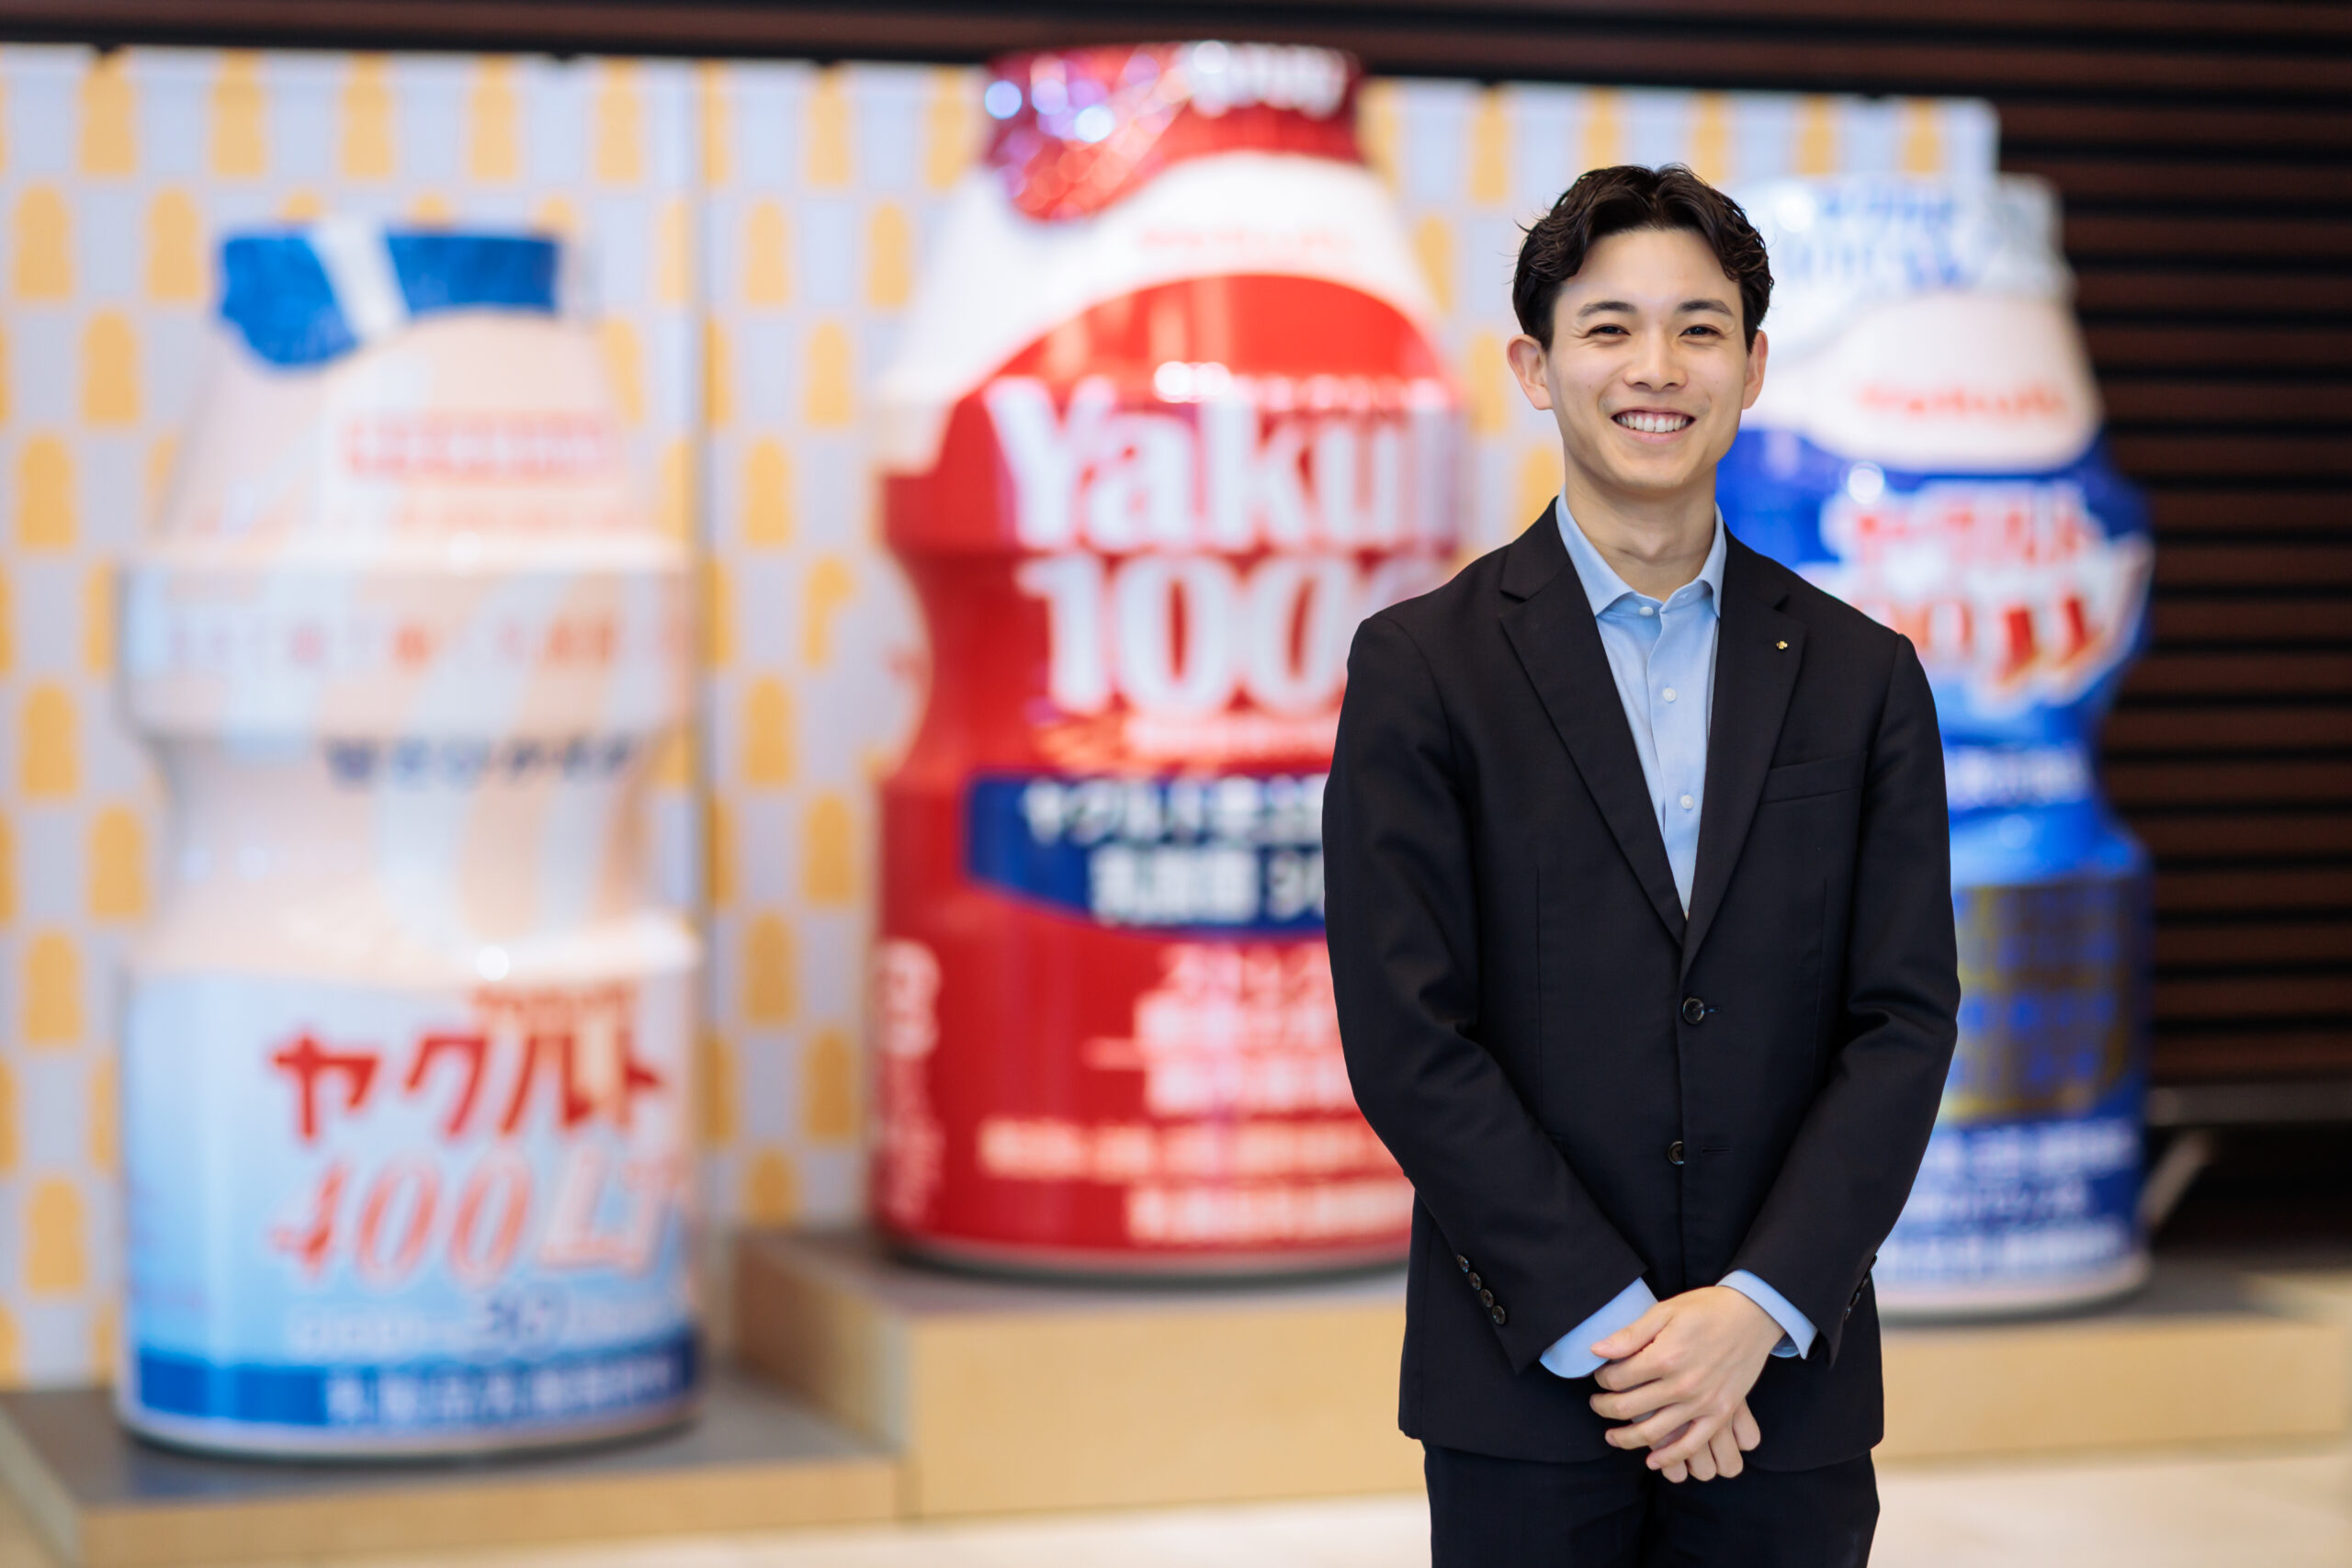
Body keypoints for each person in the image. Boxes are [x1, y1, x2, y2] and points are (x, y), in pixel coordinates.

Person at [1322, 164, 1960, 1566]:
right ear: (1535, 369)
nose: (1656, 367)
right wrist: (1622, 1333)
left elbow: (1903, 1022)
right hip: (1527, 1384)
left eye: (1699, 328)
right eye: (1609, 328)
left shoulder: (1862, 676)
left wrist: (1753, 1312)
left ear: (1753, 367)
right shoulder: (1423, 668)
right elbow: (1408, 1034)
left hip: (1784, 1388)